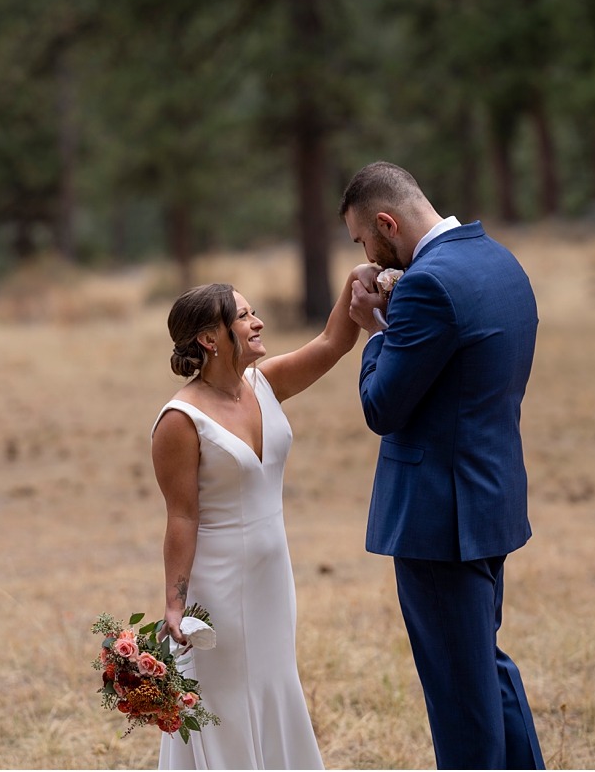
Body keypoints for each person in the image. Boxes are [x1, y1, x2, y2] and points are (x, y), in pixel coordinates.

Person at [343, 161, 546, 770]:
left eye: (361, 240)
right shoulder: (497, 261)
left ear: (387, 222)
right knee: (484, 668)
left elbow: (382, 407)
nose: (364, 253)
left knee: (461, 701)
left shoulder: (428, 286)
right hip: (489, 499)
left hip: (439, 520)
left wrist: (374, 329)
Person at [151, 272, 373, 770]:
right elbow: (182, 516)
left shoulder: (264, 384)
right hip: (220, 584)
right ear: (211, 339)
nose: (258, 323)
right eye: (245, 316)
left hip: (273, 578)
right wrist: (174, 601)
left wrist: (357, 279)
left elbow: (334, 341)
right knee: (224, 699)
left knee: (273, 683)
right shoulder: (180, 421)